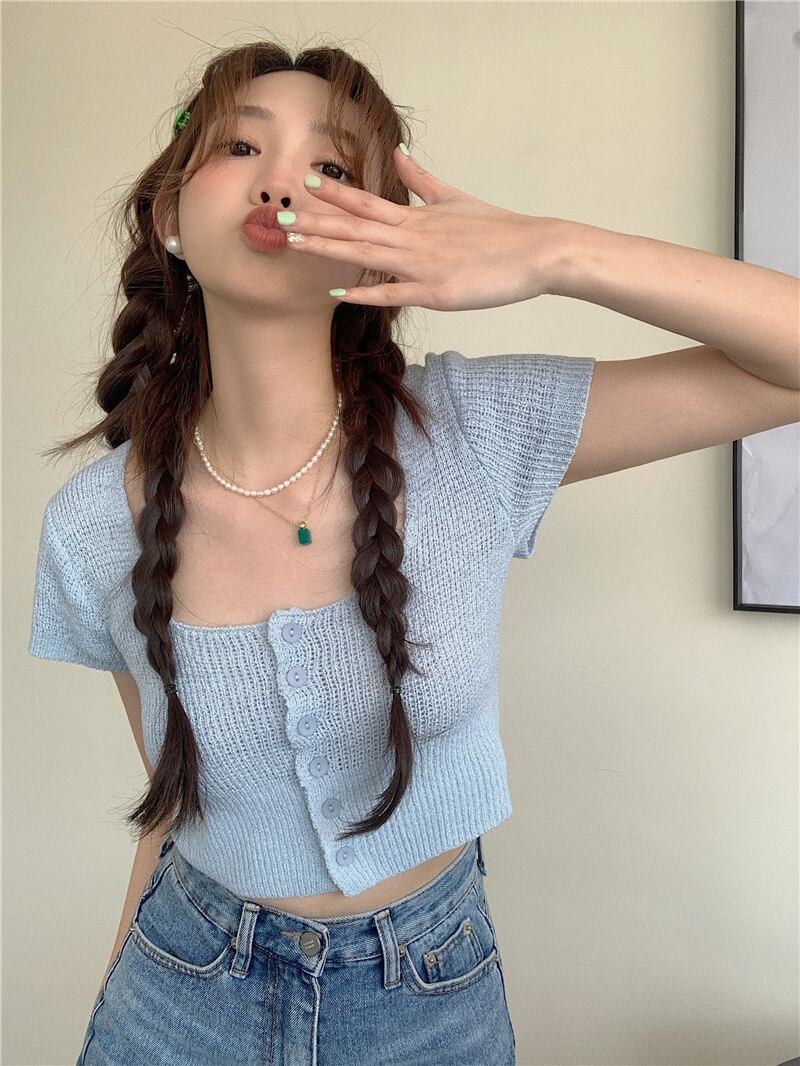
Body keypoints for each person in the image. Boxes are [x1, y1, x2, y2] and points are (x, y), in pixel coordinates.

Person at [28, 38, 799, 1066]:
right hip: (176, 990)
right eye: (239, 147)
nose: (281, 182)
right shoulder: (91, 525)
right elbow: (169, 810)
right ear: (171, 213)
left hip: (429, 1000)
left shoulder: (476, 432)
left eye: (331, 166)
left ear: (381, 241)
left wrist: (552, 252)